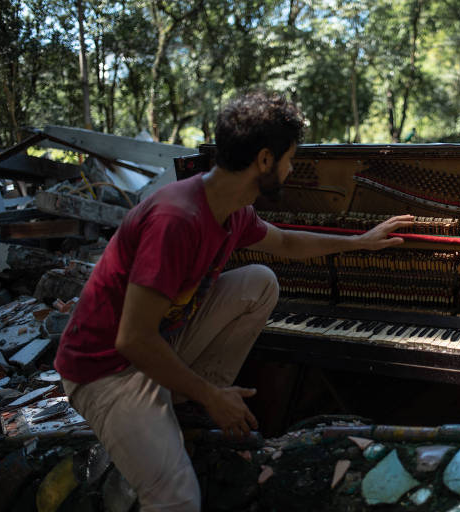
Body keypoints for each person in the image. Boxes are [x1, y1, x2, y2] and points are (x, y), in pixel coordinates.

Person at [54, 90, 413, 511]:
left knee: (258, 282)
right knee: (177, 499)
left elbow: (286, 242)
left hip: (153, 348)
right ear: (264, 160)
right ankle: (199, 400)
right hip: (105, 371)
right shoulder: (177, 220)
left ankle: (186, 406)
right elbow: (132, 340)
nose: (292, 168)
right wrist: (212, 393)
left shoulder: (231, 208)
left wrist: (361, 242)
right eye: (289, 159)